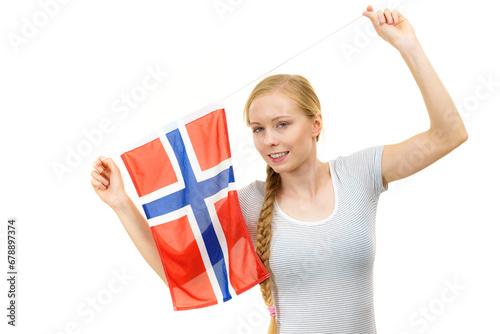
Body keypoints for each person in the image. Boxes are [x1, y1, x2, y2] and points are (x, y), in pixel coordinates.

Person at [90, 5, 468, 334]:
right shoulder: (251, 203)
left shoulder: (359, 173)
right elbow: (183, 271)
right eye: (258, 129)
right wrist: (122, 203)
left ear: (316, 124)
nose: (269, 139)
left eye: (282, 124)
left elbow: (449, 135)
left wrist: (408, 45)